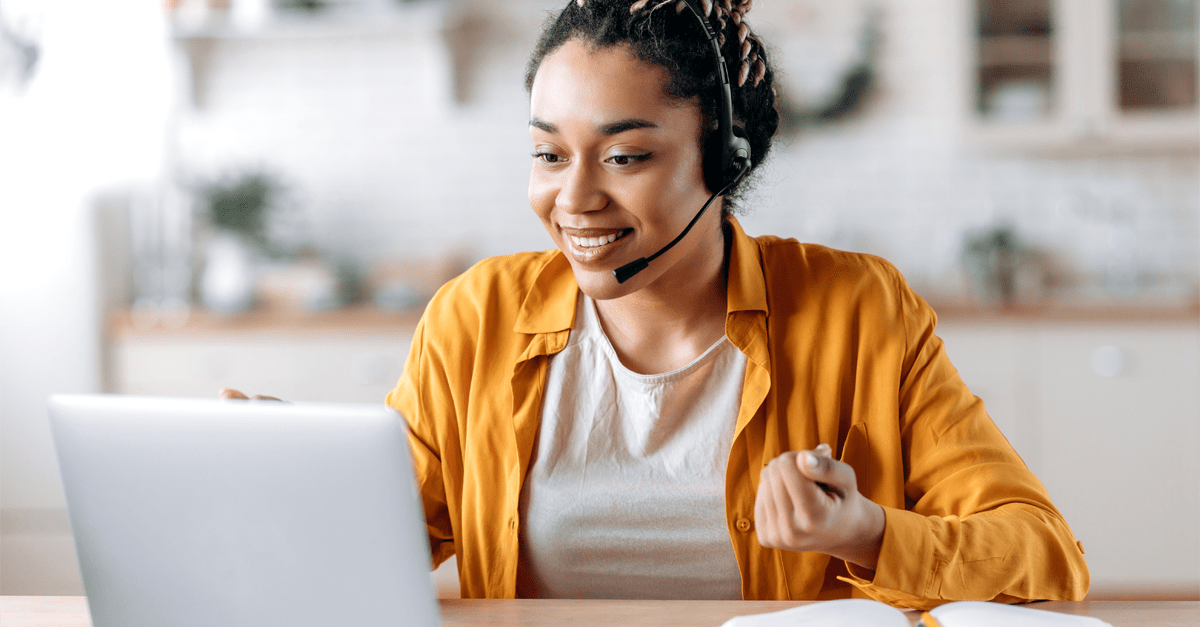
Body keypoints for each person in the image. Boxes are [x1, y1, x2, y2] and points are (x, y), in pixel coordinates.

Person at [238, 0, 1089, 608]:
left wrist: (866, 532)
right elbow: (378, 543)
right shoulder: (477, 317)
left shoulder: (859, 311)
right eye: (548, 154)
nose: (574, 200)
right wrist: (292, 479)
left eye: (625, 157)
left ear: (724, 161)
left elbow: (1046, 554)